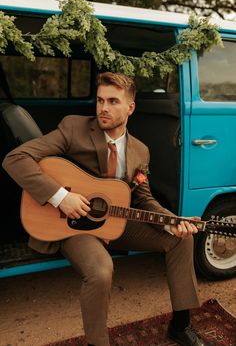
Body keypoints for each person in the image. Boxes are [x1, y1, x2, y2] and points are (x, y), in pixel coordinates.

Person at [2, 72, 208, 346]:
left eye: (113, 101)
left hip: (114, 222)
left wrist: (171, 221)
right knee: (101, 269)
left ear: (130, 108)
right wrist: (60, 197)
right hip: (72, 225)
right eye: (100, 101)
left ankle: (181, 326)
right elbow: (16, 158)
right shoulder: (74, 127)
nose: (103, 108)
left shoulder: (140, 151)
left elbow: (144, 199)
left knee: (181, 239)